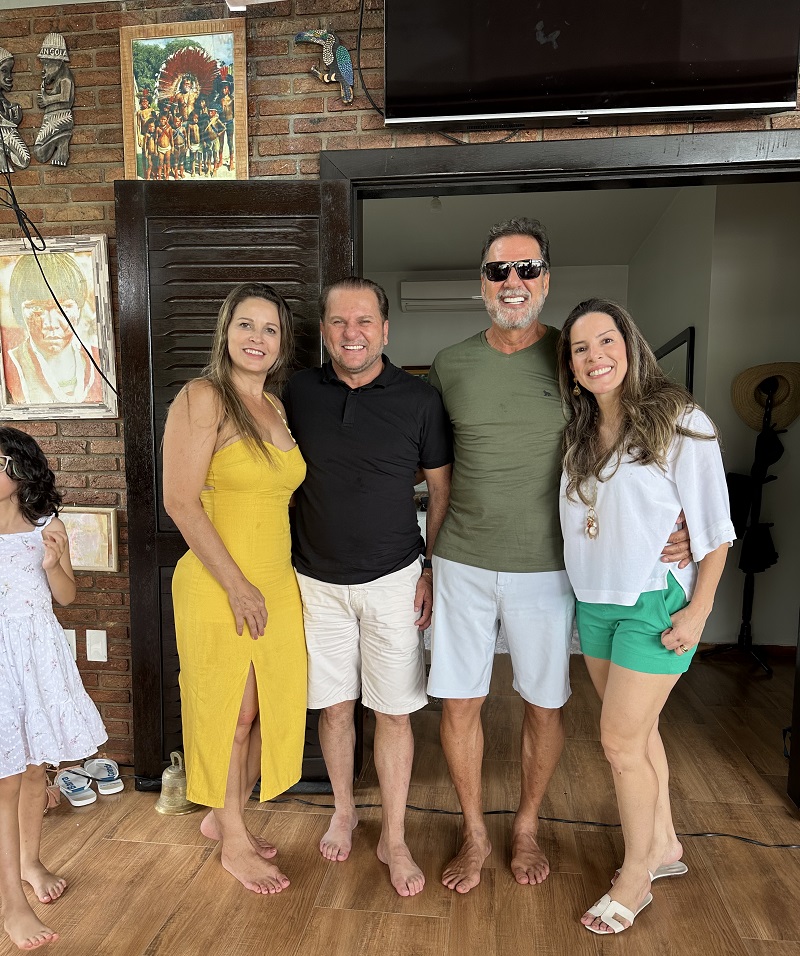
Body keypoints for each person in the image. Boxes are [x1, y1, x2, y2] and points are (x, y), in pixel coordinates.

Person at [427, 218, 691, 894]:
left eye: (527, 269)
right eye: (498, 271)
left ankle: (525, 827)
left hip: (550, 567)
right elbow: (439, 476)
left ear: (546, 280)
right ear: (482, 283)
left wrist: (687, 519)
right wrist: (427, 563)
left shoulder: (574, 357)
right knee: (459, 704)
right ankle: (475, 833)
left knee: (544, 705)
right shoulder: (449, 366)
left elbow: (633, 437)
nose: (512, 282)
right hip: (460, 561)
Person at [557, 298, 734, 934]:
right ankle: (664, 845)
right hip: (596, 602)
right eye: (580, 349)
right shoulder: (580, 433)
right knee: (641, 733)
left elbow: (715, 530)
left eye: (606, 341)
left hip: (656, 603)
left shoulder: (679, 421)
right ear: (570, 365)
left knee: (619, 743)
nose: (595, 357)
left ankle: (635, 878)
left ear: (630, 345)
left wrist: (698, 612)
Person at [284, 276, 452, 897]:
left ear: (385, 329)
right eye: (338, 322)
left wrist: (430, 568)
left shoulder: (421, 399)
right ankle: (344, 812)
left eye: (363, 322)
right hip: (314, 580)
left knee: (394, 712)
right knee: (334, 707)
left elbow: (441, 489)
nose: (350, 333)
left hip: (394, 579)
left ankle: (396, 837)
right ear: (324, 331)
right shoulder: (298, 391)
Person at [163, 283, 307, 896]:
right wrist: (238, 585)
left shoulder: (274, 405)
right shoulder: (204, 397)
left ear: (282, 343)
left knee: (267, 706)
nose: (257, 338)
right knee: (231, 711)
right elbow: (180, 500)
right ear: (225, 332)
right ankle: (234, 840)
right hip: (220, 582)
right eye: (246, 324)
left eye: (270, 329)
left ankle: (227, 817)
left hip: (276, 579)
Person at [0, 426, 107, 951]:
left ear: (21, 470)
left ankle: (29, 862)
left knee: (31, 768)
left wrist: (51, 562)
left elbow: (66, 595)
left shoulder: (48, 526)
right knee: (4, 780)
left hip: (36, 658)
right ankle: (12, 907)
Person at [3, 252, 103, 407]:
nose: (50, 323)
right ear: (20, 312)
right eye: (36, 308)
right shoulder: (9, 365)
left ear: (79, 309)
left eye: (63, 308)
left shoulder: (100, 359)